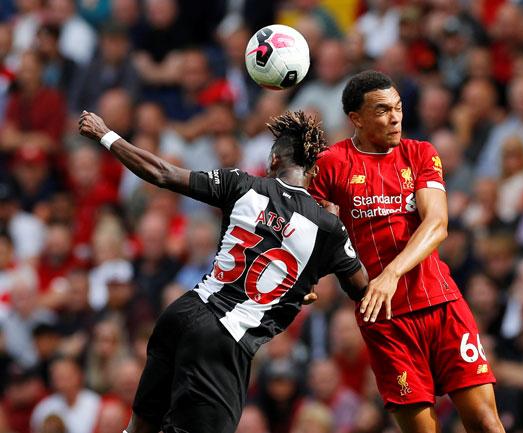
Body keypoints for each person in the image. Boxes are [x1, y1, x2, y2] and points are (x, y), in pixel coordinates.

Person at [78, 109, 368, 433]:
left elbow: (161, 172)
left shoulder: (241, 184)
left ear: (273, 160)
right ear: (314, 172)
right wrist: (339, 227)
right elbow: (362, 290)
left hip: (182, 313)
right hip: (224, 341)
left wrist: (105, 133)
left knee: (139, 427)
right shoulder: (327, 227)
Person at [308, 70, 504, 433]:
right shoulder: (332, 164)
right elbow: (315, 230)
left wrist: (391, 274)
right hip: (385, 321)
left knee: (486, 423)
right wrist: (305, 275)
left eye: (398, 107)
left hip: (442, 305)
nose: (395, 117)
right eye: (382, 110)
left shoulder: (420, 154)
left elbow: (437, 223)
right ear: (356, 118)